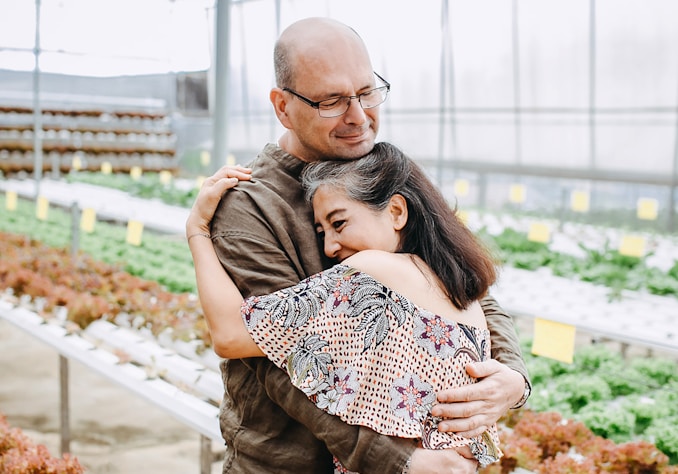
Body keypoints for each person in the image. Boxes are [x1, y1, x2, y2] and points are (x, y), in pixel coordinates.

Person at [204, 16, 530, 474]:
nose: (358, 116)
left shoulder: (376, 168)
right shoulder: (249, 204)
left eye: (366, 92)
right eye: (332, 101)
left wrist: (512, 377)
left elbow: (459, 279)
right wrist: (398, 459)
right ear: (282, 106)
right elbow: (278, 362)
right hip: (289, 463)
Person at [186, 142, 505, 473]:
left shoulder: (373, 274)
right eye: (321, 231)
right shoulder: (464, 296)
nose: (330, 246)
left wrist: (197, 230)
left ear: (396, 211)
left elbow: (230, 335)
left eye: (339, 223)